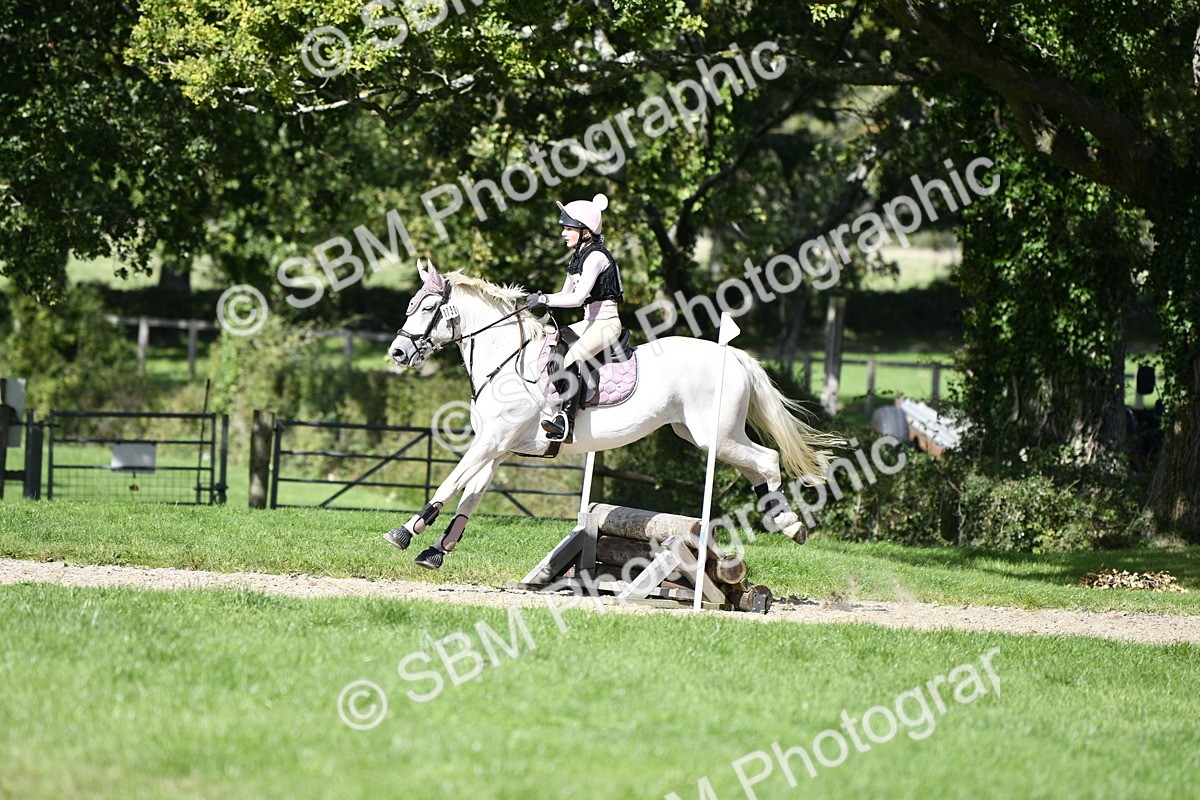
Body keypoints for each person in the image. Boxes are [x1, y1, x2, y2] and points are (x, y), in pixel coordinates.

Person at [525, 193, 623, 443]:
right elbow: (564, 294)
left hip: (606, 323)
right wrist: (542, 297)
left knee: (573, 357)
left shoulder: (596, 257)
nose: (563, 233)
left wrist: (546, 300)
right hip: (589, 322)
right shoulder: (577, 258)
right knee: (551, 344)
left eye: (568, 228)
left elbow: (578, 298)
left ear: (585, 231)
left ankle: (566, 423)